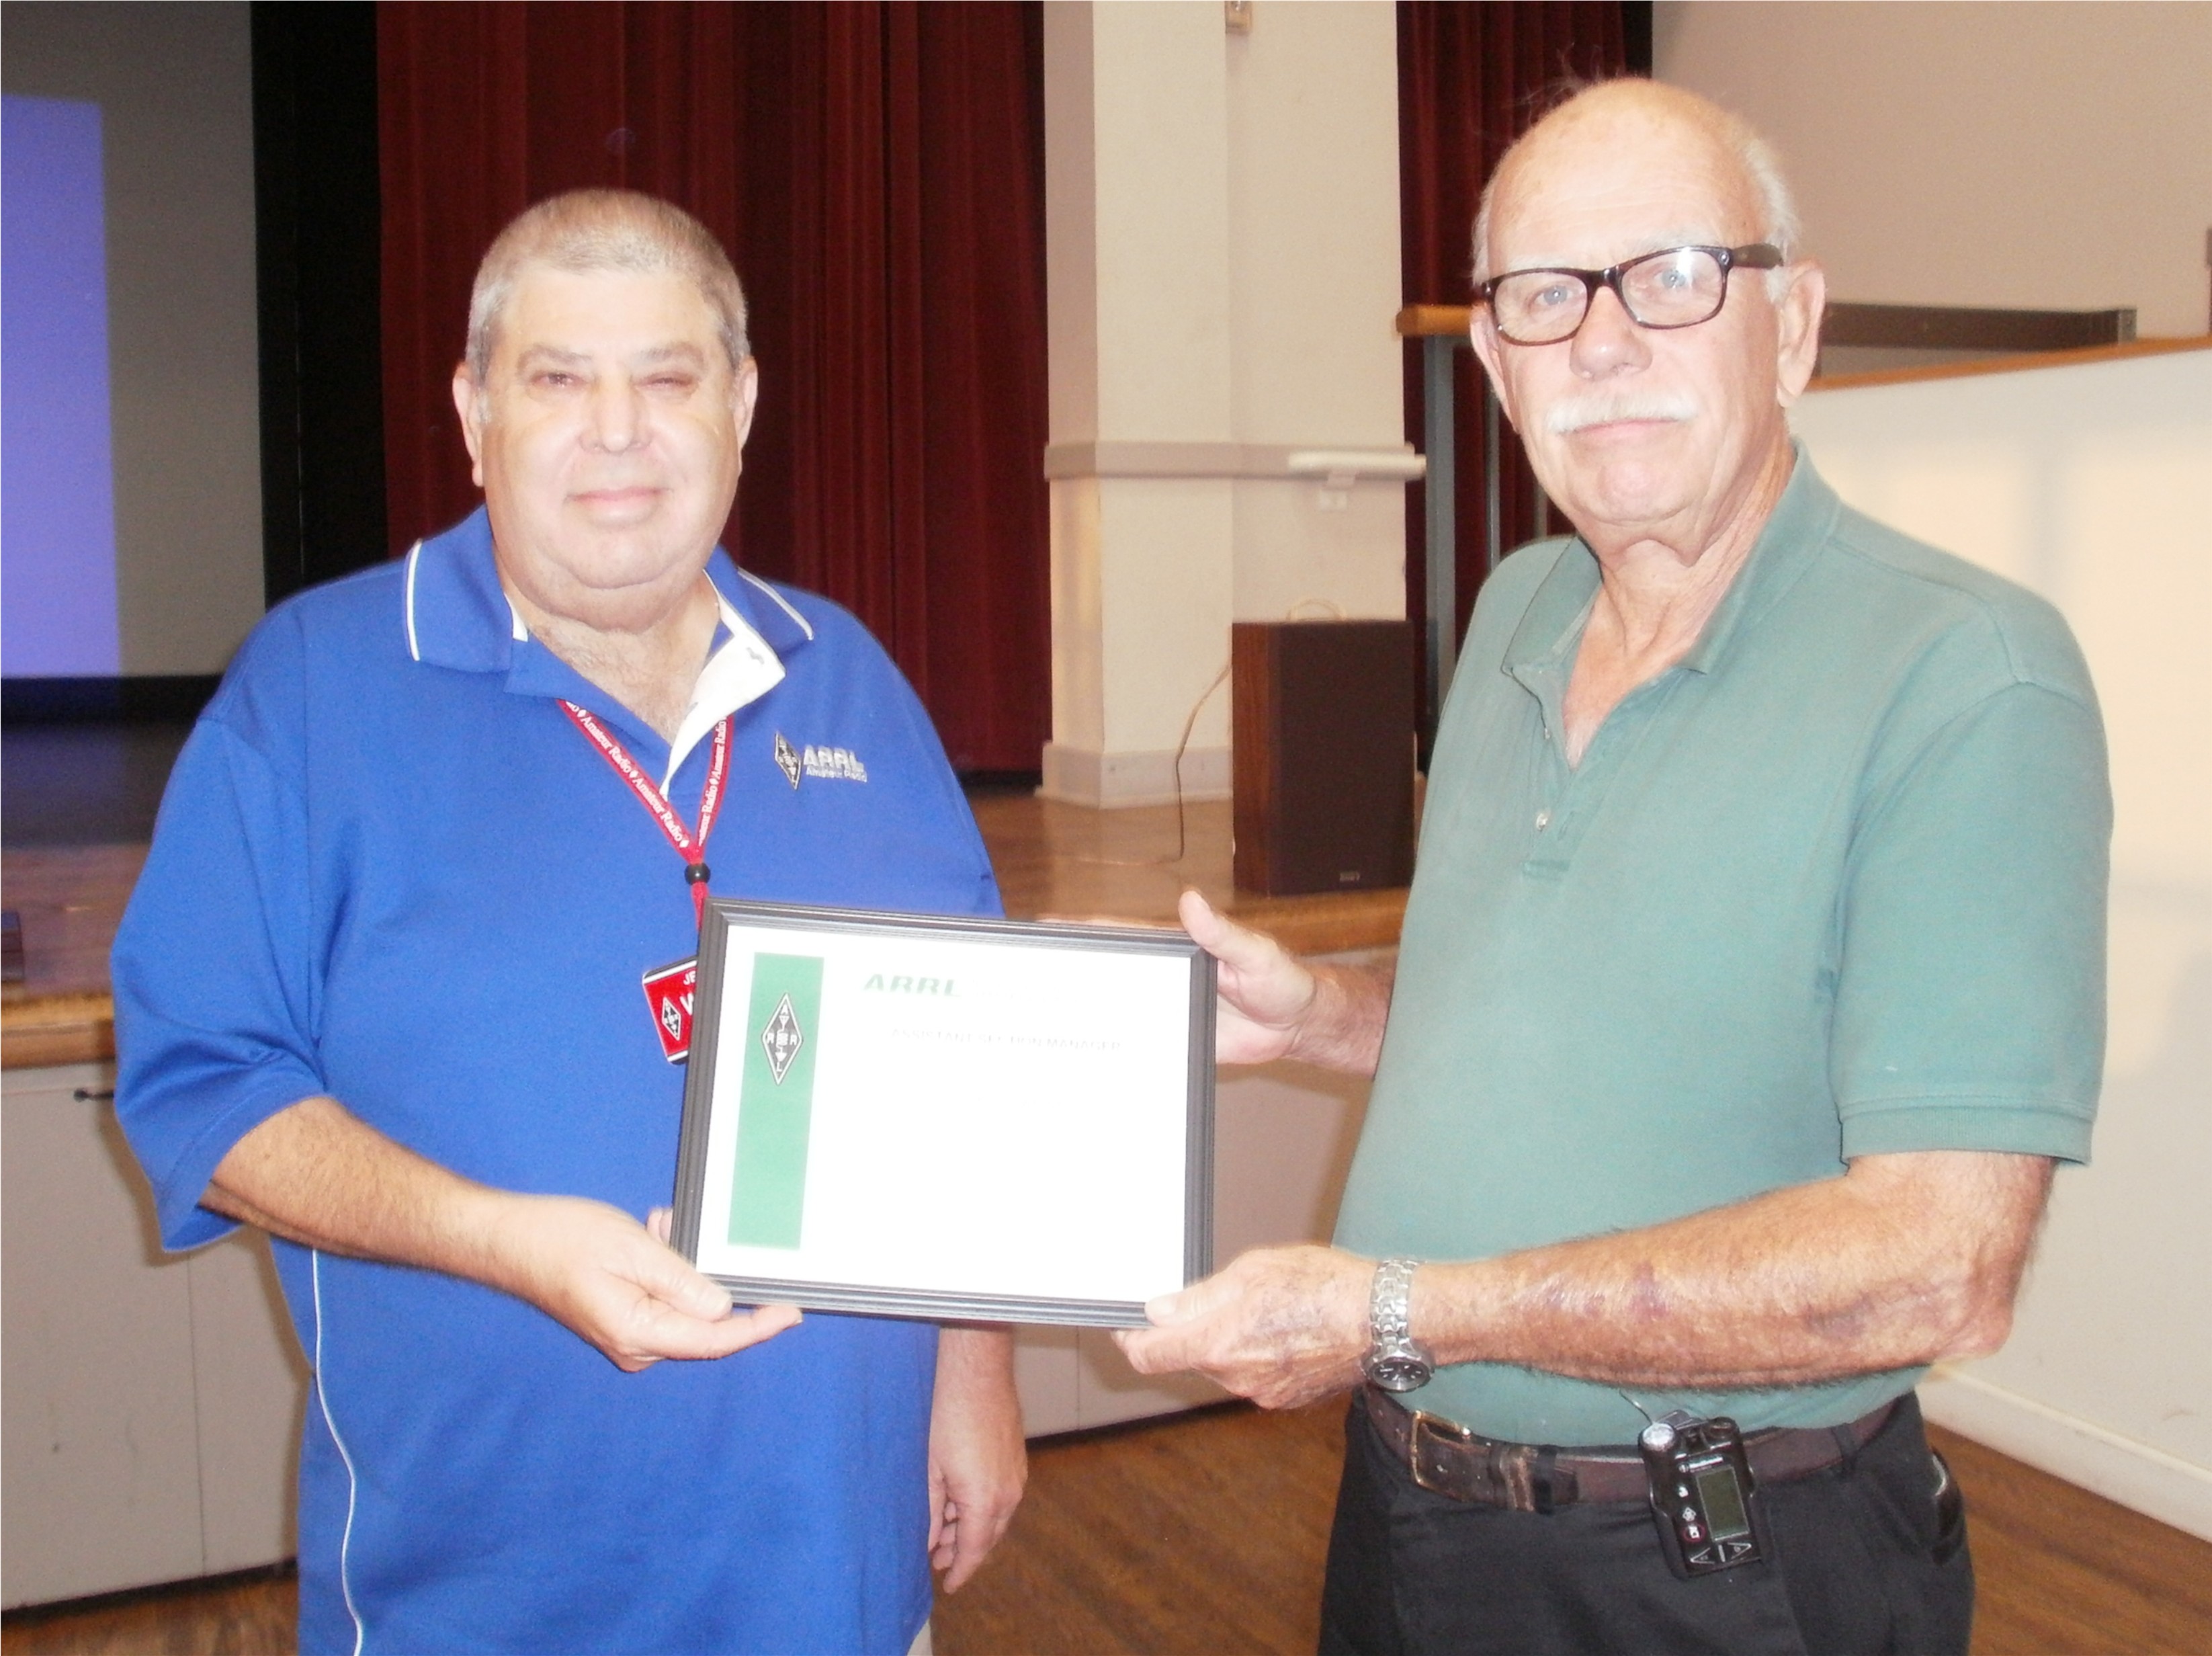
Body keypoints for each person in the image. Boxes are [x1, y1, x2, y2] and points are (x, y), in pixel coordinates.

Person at [1120, 80, 2108, 1656]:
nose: (1599, 342)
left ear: (1791, 327)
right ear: (1494, 363)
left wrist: (1395, 1309)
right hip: (1405, 1510)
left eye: (1670, 276)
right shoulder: (1518, 605)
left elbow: (1936, 1269)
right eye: (1543, 295)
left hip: (1713, 1563)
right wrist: (1327, 1013)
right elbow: (1568, 1002)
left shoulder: (1966, 675)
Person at [113, 190, 1023, 1655]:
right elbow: (206, 1091)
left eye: (666, 376)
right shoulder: (312, 693)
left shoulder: (848, 677)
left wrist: (974, 1373)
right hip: (484, 1602)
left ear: (740, 406)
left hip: (840, 1589)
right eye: (557, 379)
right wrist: (501, 1240)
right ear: (475, 414)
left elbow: (961, 1082)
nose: (617, 430)